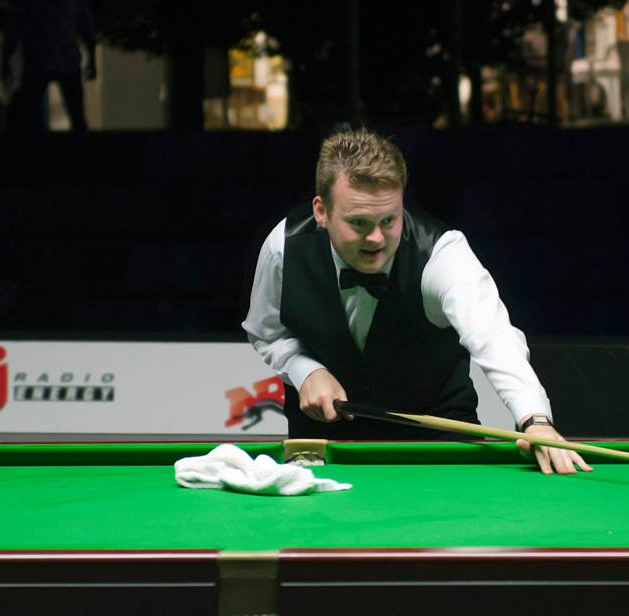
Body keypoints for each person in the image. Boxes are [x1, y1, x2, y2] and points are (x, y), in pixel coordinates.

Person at [242, 128, 590, 475]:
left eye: (388, 220)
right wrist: (305, 371)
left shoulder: (441, 254)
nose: (376, 238)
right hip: (323, 438)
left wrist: (535, 420)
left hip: (437, 438)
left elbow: (492, 334)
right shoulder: (284, 247)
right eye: (359, 222)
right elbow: (267, 333)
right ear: (321, 211)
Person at [0, 0, 96, 132]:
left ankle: (26, 138)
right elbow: (86, 28)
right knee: (76, 113)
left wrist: (5, 62)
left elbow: (13, 31)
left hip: (38, 60)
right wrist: (92, 60)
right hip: (66, 59)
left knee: (28, 111)